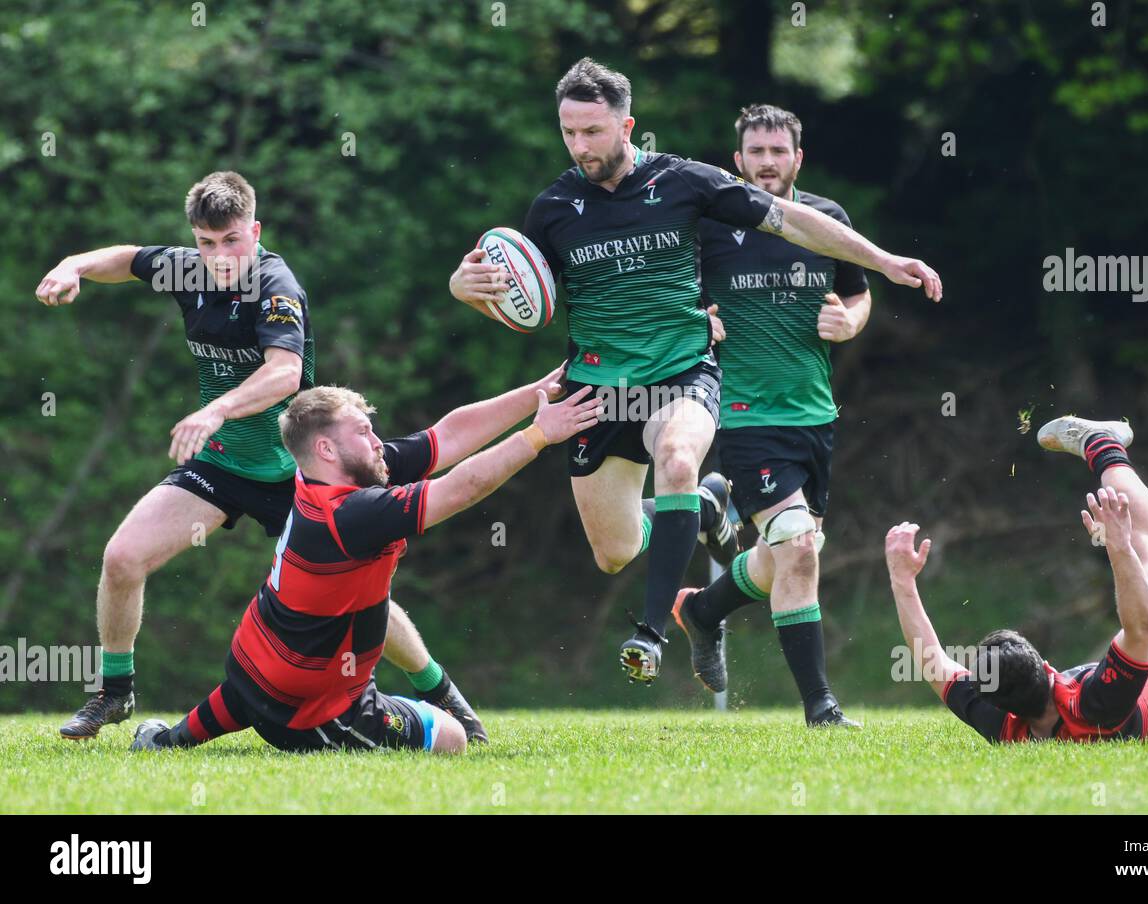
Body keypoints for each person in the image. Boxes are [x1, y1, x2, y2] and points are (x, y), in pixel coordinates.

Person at [450, 59, 942, 684]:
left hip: (683, 372)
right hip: (598, 392)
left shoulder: (684, 181)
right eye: (569, 132)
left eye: (593, 132)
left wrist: (883, 260)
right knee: (615, 552)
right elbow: (524, 299)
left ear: (627, 125)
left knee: (680, 458)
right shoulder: (553, 209)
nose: (580, 147)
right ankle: (703, 510)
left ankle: (651, 633)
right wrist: (465, 287)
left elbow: (791, 219)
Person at [37, 171, 482, 742]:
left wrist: (217, 409)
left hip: (294, 475)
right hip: (221, 467)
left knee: (360, 597)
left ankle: (441, 692)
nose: (219, 256)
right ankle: (114, 696)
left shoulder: (275, 286)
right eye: (205, 242)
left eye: (232, 241)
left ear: (256, 230)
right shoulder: (187, 268)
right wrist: (75, 264)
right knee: (123, 558)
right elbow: (126, 259)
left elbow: (284, 372)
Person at [131, 379, 602, 753]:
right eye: (363, 432)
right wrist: (540, 434)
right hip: (315, 712)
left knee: (244, 696)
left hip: (250, 670)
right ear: (327, 450)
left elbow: (447, 435)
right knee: (452, 737)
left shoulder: (322, 477)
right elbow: (463, 487)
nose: (378, 442)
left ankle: (170, 739)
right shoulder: (352, 513)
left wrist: (540, 391)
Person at [886, 415, 1148, 742]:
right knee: (1144, 544)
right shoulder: (1096, 703)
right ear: (1047, 668)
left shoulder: (1005, 727)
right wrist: (1118, 547)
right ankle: (1102, 442)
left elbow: (932, 662)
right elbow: (1143, 626)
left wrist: (902, 583)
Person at [672, 104, 870, 727]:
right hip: (741, 412)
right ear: (737, 161)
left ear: (796, 159)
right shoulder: (707, 226)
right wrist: (696, 320)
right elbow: (669, 298)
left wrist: (849, 322)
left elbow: (859, 295)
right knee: (798, 545)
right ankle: (822, 709)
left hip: (813, 412)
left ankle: (703, 611)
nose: (765, 163)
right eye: (754, 152)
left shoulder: (826, 221)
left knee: (784, 552)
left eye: (776, 152)